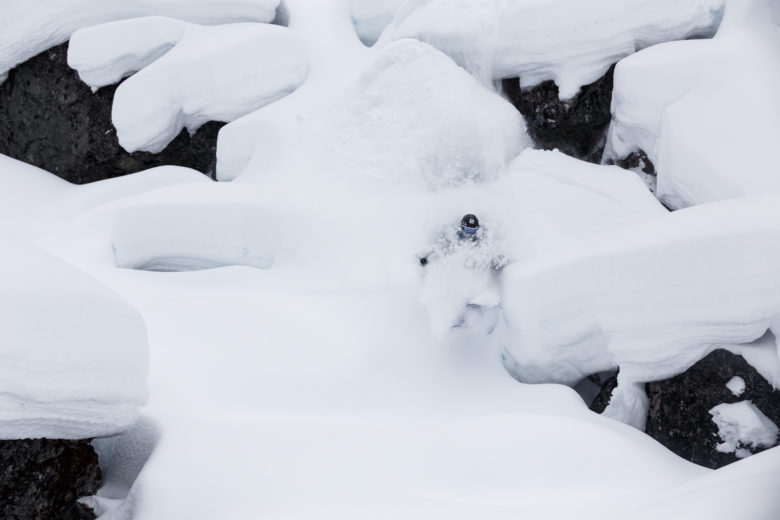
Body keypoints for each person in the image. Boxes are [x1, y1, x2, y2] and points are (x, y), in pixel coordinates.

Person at [418, 213, 505, 269]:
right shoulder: (453, 236)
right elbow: (439, 249)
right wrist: (426, 259)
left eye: (473, 230)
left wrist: (496, 261)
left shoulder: (482, 237)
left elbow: (490, 250)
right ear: (462, 228)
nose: (470, 233)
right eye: (467, 230)